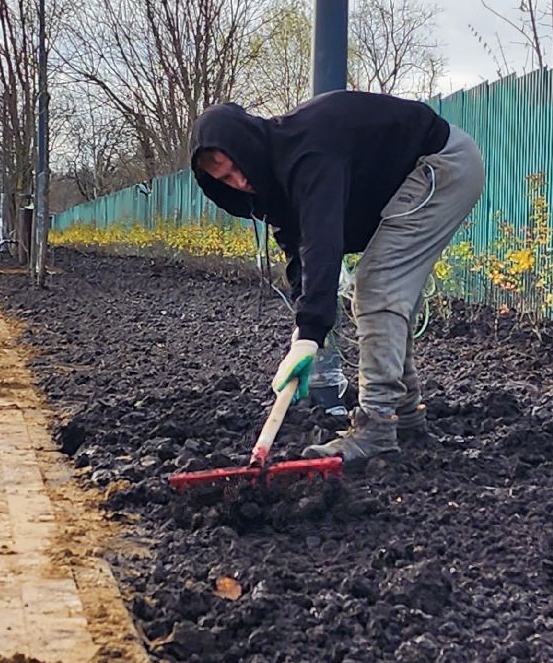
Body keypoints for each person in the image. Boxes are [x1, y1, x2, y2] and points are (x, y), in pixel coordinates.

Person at [189, 90, 485, 465]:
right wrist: (305, 333)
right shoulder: (272, 182)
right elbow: (299, 252)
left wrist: (313, 327)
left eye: (235, 167)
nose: (239, 181)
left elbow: (322, 240)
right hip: (420, 173)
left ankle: (377, 426)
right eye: (225, 179)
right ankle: (405, 418)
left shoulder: (307, 151)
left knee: (377, 288)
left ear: (246, 143)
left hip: (441, 166)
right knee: (385, 293)